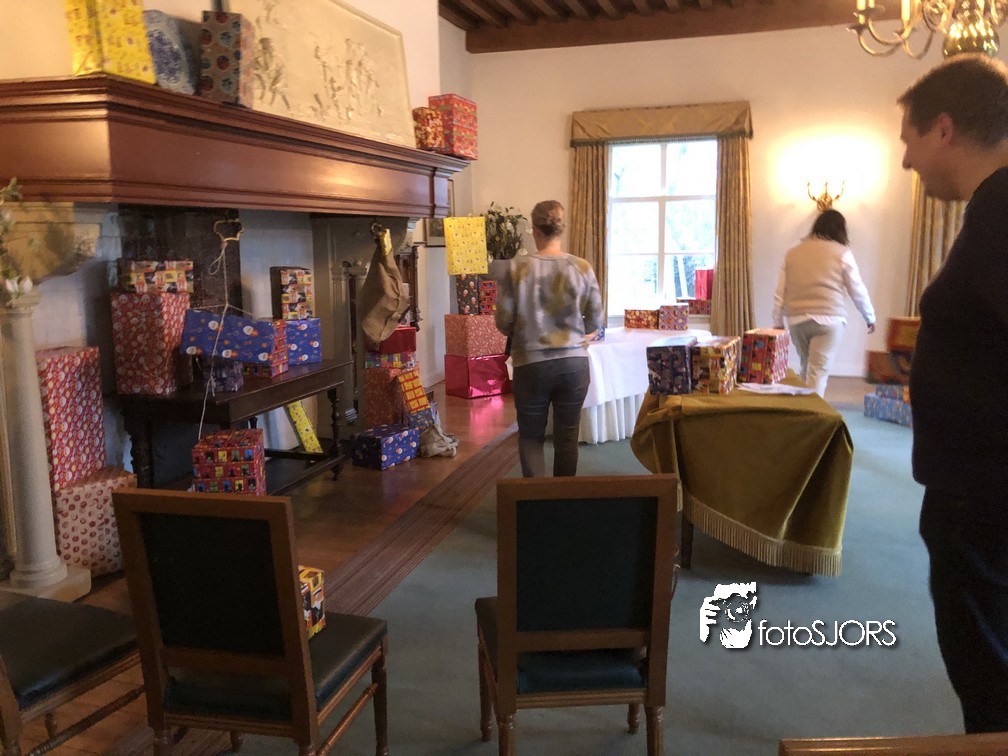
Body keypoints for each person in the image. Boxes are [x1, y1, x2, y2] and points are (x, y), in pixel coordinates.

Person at [898, 54, 1008, 734]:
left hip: (984, 498)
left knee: (988, 672)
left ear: (943, 129)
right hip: (981, 491)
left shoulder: (1000, 214)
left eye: (907, 139)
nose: (905, 160)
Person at [494, 199, 603, 477]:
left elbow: (503, 321)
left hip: (531, 365)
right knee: (567, 438)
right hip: (574, 365)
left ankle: (535, 498)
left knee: (531, 437)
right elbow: (595, 321)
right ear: (561, 228)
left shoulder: (517, 268)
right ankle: (562, 498)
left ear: (534, 230)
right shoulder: (582, 267)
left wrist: (524, 330)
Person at [771, 209, 876, 396]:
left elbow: (780, 292)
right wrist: (869, 316)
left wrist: (778, 322)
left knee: (806, 367)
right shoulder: (842, 253)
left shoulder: (792, 253)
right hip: (830, 319)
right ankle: (813, 410)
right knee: (818, 371)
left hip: (797, 320)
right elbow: (857, 288)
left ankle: (804, 407)